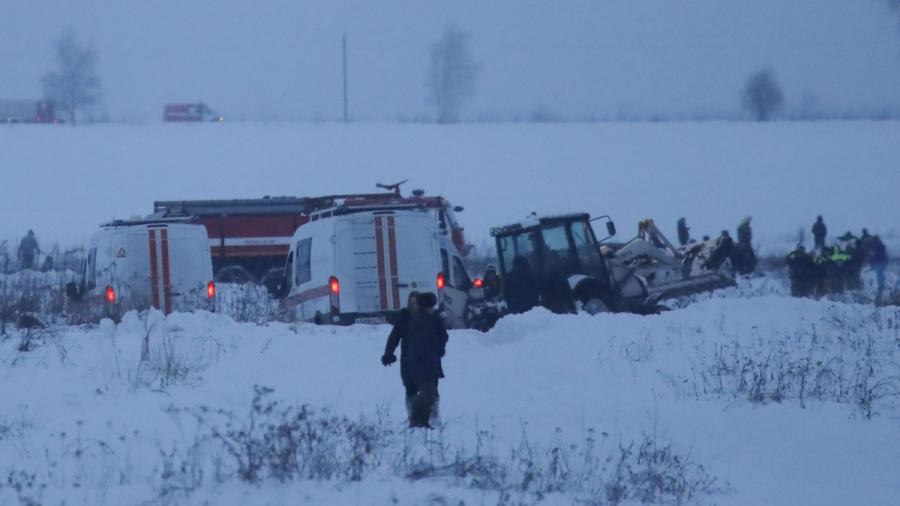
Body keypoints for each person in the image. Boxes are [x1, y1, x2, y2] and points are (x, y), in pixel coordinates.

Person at [404, 293, 448, 428]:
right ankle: (418, 420)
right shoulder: (433, 319)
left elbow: (412, 343)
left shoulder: (415, 321)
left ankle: (421, 419)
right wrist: (439, 350)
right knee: (429, 393)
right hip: (430, 363)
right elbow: (443, 336)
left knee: (428, 392)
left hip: (418, 363)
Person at [382, 291, 421, 422]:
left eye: (416, 303)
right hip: (408, 362)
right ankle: (413, 417)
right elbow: (394, 337)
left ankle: (432, 418)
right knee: (410, 390)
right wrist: (388, 353)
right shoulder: (404, 318)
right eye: (411, 303)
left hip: (425, 361)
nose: (413, 305)